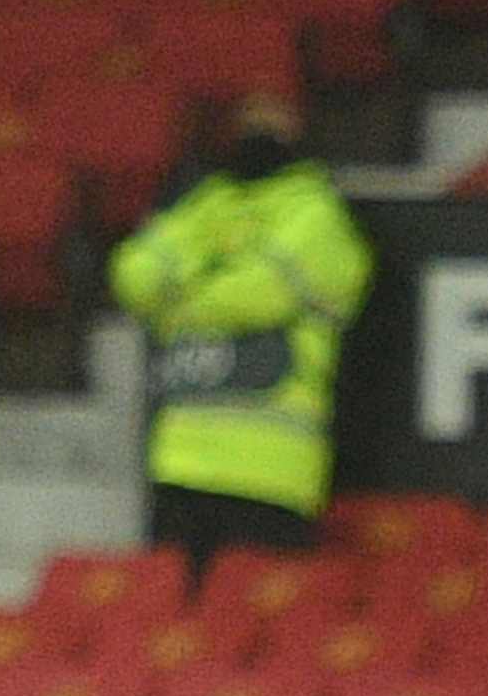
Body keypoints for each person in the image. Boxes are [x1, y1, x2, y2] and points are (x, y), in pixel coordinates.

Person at [107, 95, 369, 570]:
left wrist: (181, 301)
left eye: (272, 124)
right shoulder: (208, 204)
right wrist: (212, 286)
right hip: (181, 465)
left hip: (270, 473)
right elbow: (134, 275)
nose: (258, 136)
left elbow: (262, 293)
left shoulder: (317, 215)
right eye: (250, 123)